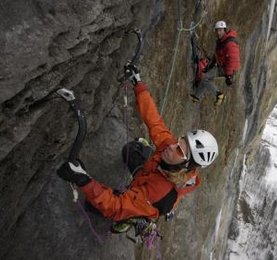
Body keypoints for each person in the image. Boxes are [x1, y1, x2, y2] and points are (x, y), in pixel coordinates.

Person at [57, 64, 219, 224]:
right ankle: (141, 165)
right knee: (131, 149)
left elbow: (116, 206)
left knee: (95, 206)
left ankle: (128, 222)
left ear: (186, 165)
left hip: (147, 196)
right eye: (178, 141)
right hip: (149, 175)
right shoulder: (171, 150)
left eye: (178, 150)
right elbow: (154, 122)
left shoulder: (160, 192)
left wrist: (83, 180)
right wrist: (139, 85)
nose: (171, 145)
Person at [190, 20, 241, 105]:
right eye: (217, 30)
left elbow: (232, 59)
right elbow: (216, 56)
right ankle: (196, 96)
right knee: (205, 77)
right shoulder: (221, 41)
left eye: (220, 30)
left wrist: (229, 76)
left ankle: (218, 94)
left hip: (229, 69)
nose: (218, 32)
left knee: (204, 78)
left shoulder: (229, 42)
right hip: (223, 67)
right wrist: (208, 67)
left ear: (224, 30)